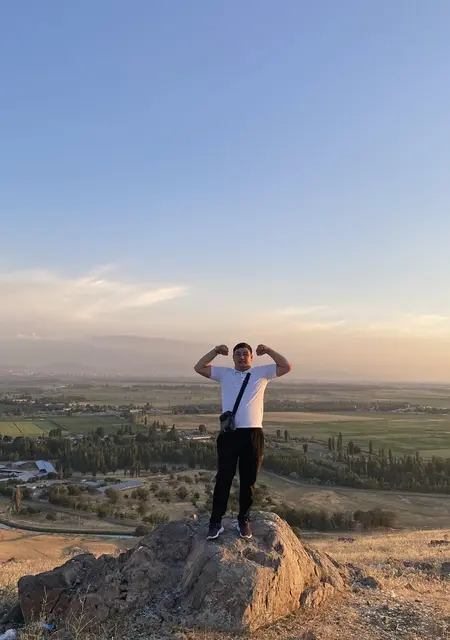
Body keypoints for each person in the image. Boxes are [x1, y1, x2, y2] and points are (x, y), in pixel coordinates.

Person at [194, 342, 292, 540]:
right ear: (233, 358)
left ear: (251, 357)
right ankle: (215, 523)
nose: (241, 357)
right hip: (229, 435)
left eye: (245, 354)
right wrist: (215, 351)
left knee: (248, 481)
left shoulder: (261, 372)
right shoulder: (225, 374)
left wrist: (269, 350)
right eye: (237, 354)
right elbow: (199, 367)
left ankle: (243, 520)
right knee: (223, 479)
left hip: (253, 434)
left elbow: (286, 366)